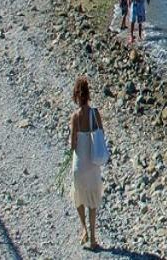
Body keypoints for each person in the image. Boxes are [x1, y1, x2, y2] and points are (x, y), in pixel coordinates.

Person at [69, 76, 104, 250]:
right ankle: (93, 240)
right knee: (93, 202)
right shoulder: (95, 113)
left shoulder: (75, 116)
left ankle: (83, 229)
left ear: (76, 95)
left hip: (79, 164)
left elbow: (72, 144)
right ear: (88, 93)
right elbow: (101, 134)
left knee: (79, 198)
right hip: (92, 164)